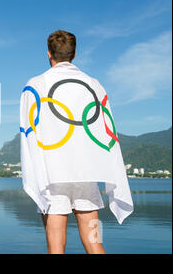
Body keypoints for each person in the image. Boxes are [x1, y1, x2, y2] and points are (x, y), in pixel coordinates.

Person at [19, 30, 133, 254]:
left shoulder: (36, 85)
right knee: (94, 240)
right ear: (75, 54)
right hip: (86, 174)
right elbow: (106, 131)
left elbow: (29, 131)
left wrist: (34, 172)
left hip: (53, 175)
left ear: (49, 54)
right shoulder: (94, 85)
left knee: (55, 245)